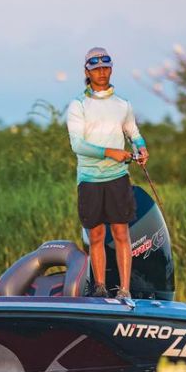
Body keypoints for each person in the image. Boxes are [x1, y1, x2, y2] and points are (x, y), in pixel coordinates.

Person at [66, 46, 147, 303]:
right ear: (87, 72)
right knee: (96, 236)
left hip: (117, 179)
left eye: (105, 68)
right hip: (90, 180)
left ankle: (125, 289)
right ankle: (99, 287)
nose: (101, 73)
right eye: (96, 69)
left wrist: (141, 147)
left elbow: (133, 132)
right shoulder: (78, 105)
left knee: (122, 233)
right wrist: (110, 152)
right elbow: (78, 145)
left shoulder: (123, 105)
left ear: (111, 69)